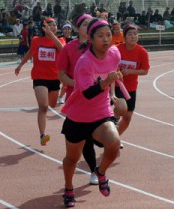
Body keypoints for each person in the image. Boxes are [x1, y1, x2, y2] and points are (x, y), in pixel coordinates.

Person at [61, 18, 122, 207]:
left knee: (114, 144)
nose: (106, 39)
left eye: (108, 35)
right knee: (72, 159)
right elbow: (87, 93)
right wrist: (106, 82)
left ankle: (100, 172)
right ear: (91, 39)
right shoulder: (84, 62)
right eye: (100, 36)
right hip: (78, 116)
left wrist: (114, 85)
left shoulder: (114, 54)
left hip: (101, 113)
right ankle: (69, 188)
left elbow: (111, 75)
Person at [57, 14, 105, 186]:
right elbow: (61, 74)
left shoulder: (99, 46)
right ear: (78, 28)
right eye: (85, 24)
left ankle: (98, 165)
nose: (88, 26)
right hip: (77, 100)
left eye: (91, 23)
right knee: (86, 140)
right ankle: (93, 170)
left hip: (99, 99)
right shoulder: (69, 48)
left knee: (103, 136)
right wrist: (77, 84)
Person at [15, 17, 65, 146]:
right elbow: (30, 53)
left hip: (54, 78)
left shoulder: (60, 40)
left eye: (54, 25)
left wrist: (51, 35)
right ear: (43, 27)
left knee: (52, 105)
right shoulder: (37, 40)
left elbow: (62, 49)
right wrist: (20, 65)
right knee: (43, 106)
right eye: (50, 25)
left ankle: (43, 129)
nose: (53, 27)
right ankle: (43, 135)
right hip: (39, 77)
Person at [115, 25, 150, 145]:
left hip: (130, 89)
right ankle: (110, 133)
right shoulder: (116, 49)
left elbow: (145, 71)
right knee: (119, 110)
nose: (133, 36)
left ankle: (115, 137)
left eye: (135, 34)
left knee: (128, 117)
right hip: (115, 86)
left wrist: (130, 71)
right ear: (124, 37)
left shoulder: (142, 52)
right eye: (130, 34)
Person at [58, 23, 74, 104]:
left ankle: (61, 96)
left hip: (69, 63)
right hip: (59, 62)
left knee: (65, 82)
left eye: (68, 29)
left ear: (71, 30)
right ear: (62, 30)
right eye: (65, 29)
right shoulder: (59, 39)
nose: (67, 31)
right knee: (58, 82)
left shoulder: (73, 41)